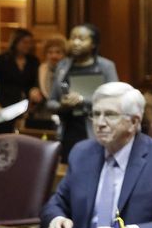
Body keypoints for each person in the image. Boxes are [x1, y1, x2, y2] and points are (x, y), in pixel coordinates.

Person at [40, 82, 152, 228]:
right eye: (96, 114)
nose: (100, 123)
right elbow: (56, 204)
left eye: (110, 114)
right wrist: (56, 219)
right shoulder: (82, 153)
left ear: (134, 122)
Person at [48, 23, 118, 163]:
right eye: (72, 38)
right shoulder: (62, 66)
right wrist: (62, 105)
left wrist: (82, 100)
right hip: (68, 130)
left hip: (97, 129)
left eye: (81, 39)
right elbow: (51, 102)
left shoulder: (106, 66)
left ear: (93, 44)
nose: (75, 42)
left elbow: (115, 99)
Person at [0, 28, 41, 133]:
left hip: (26, 106)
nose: (28, 45)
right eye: (24, 42)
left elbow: (36, 81)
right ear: (15, 42)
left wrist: (35, 89)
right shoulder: (0, 60)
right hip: (4, 104)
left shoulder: (33, 61)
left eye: (30, 43)